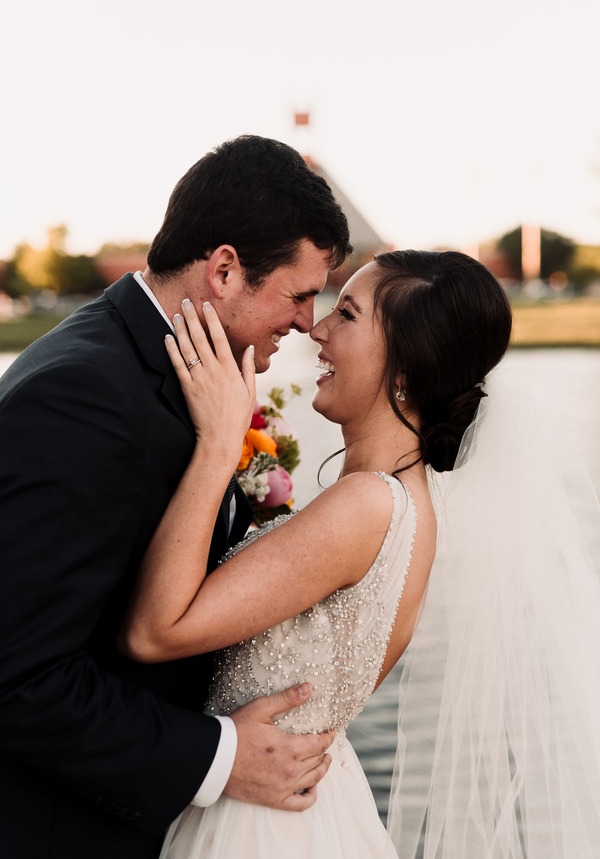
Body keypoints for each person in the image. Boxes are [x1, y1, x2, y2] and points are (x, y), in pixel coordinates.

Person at [0, 134, 352, 859]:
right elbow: (19, 676)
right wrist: (220, 757)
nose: (307, 322)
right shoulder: (86, 395)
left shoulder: (163, 369)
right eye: (298, 293)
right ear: (225, 269)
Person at [119, 249, 515, 858]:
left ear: (405, 367)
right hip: (308, 804)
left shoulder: (365, 506)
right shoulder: (413, 505)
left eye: (348, 315)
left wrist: (219, 444)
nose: (318, 328)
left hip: (257, 826)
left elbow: (154, 631)